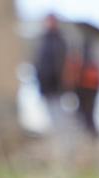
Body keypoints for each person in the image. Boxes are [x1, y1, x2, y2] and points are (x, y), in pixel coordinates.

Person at [34, 14, 71, 161]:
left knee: (58, 119)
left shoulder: (58, 41)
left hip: (55, 87)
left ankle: (63, 149)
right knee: (52, 118)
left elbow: (58, 66)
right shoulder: (44, 40)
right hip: (46, 87)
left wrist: (59, 83)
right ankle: (58, 149)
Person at [73, 41, 99, 139]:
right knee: (88, 113)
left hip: (85, 89)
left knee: (86, 113)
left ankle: (90, 134)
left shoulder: (84, 61)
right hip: (91, 90)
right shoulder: (92, 61)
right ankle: (90, 133)